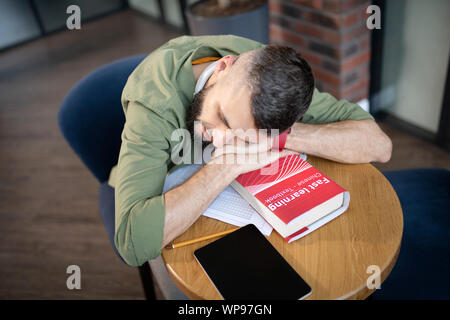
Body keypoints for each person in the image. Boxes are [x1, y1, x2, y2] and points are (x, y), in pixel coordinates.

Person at [108, 35, 392, 267]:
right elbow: (133, 244)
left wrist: (279, 138)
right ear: (223, 67)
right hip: (166, 205)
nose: (220, 140)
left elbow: (379, 146)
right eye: (222, 116)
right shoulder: (154, 102)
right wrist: (227, 165)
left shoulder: (272, 76)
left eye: (242, 136)